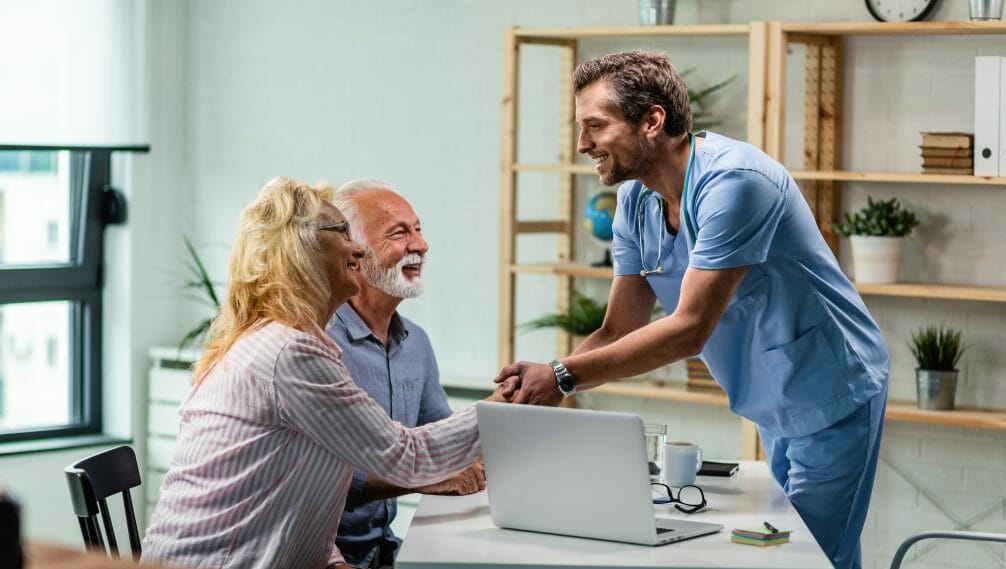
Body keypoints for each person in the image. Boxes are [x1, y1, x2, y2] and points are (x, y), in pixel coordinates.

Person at [494, 50, 889, 569]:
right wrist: (527, 394)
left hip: (833, 390)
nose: (582, 144)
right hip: (773, 399)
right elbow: (617, 330)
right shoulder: (636, 204)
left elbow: (688, 330)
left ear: (652, 121)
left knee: (805, 560)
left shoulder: (735, 183)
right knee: (809, 552)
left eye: (595, 125)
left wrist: (563, 376)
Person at [141, 177, 482, 569]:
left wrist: (332, 561)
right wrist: (522, 398)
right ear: (299, 249)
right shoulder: (290, 353)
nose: (357, 249)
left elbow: (294, 498)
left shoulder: (291, 344)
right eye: (342, 232)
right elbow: (407, 456)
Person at [328, 179, 485, 569]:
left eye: (418, 229)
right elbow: (321, 478)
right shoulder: (317, 345)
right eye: (400, 233)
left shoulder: (416, 343)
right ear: (354, 253)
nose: (421, 245)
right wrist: (424, 478)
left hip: (384, 552)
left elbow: (447, 440)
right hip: (317, 556)